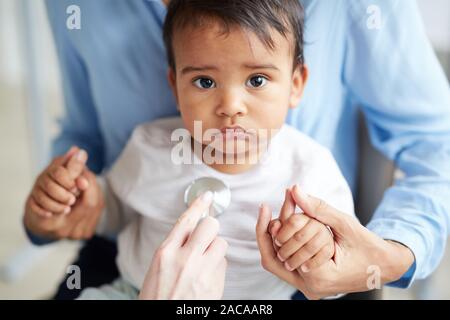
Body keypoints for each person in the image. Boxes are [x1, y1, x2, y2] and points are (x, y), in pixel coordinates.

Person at [25, 0, 450, 299]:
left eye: (257, 81)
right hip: (135, 284)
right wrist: (77, 202)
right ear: (174, 84)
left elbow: (433, 140)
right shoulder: (150, 145)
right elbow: (112, 200)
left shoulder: (310, 167)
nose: (230, 107)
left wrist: (331, 247)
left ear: (297, 83)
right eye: (205, 82)